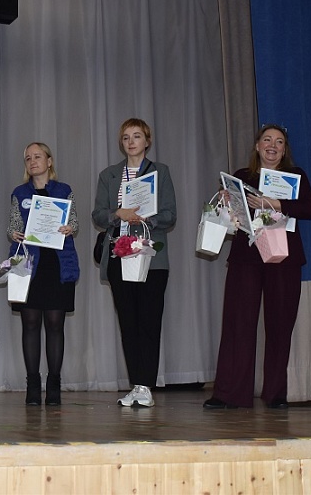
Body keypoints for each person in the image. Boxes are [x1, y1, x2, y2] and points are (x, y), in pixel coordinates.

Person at [203, 124, 311, 410]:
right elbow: (231, 214)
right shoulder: (243, 176)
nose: (272, 145)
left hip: (284, 258)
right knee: (237, 324)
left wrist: (277, 203)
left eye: (279, 142)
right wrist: (227, 202)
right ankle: (228, 393)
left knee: (280, 325)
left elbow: (310, 209)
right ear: (257, 146)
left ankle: (275, 393)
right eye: (267, 140)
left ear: (284, 150)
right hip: (247, 257)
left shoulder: (296, 176)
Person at [92, 118, 177, 407]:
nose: (131, 142)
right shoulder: (109, 175)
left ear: (147, 141)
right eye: (126, 137)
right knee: (128, 322)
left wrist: (145, 219)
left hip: (152, 256)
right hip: (120, 253)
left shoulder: (160, 172)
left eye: (137, 136)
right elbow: (98, 214)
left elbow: (170, 214)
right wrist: (118, 214)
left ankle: (146, 386)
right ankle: (136, 385)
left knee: (149, 321)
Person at [7, 143, 79, 406]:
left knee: (55, 324)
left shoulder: (64, 190)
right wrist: (14, 233)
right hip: (28, 264)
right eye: (28, 158)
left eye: (37, 156)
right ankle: (33, 384)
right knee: (30, 324)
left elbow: (75, 222)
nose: (32, 161)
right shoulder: (19, 192)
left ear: (49, 161)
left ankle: (55, 383)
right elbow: (12, 226)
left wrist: (69, 227)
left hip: (57, 265)